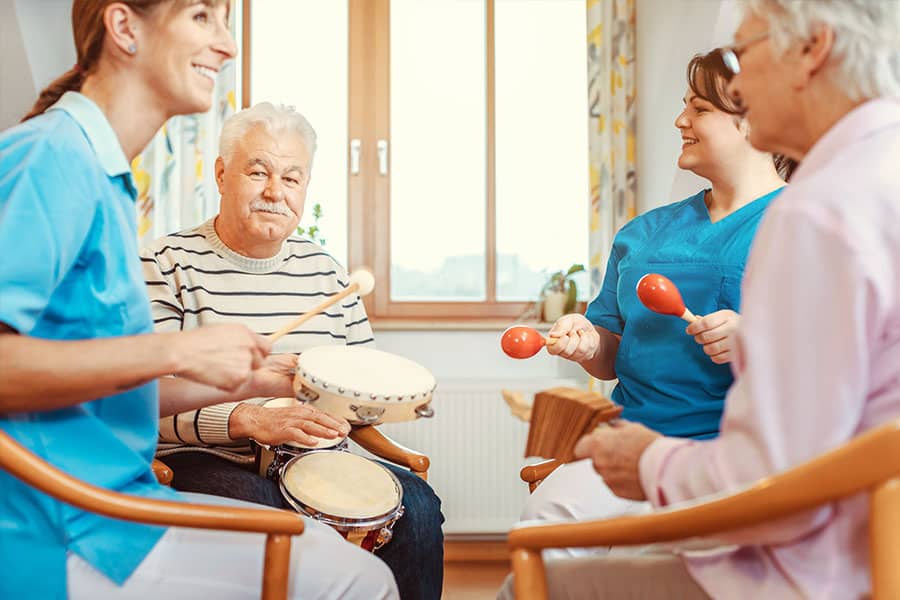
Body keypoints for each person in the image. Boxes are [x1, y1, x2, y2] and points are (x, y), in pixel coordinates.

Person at [502, 0, 900, 597]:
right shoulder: (871, 175)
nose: (739, 82)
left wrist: (646, 463)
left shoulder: (815, 211)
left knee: (528, 577)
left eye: (746, 52)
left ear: (812, 48)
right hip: (843, 540)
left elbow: (772, 488)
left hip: (806, 564)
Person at [0, 2, 397, 598]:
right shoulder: (53, 158)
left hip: (115, 510)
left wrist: (256, 378)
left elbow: (104, 387)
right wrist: (176, 351)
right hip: (64, 532)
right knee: (354, 581)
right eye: (201, 17)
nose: (228, 45)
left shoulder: (102, 174)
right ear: (125, 27)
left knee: (349, 565)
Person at [141, 101, 444, 600]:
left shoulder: (326, 273)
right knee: (275, 517)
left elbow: (361, 384)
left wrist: (395, 399)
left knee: (419, 510)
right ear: (221, 174)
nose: (274, 192)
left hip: (317, 459)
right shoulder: (165, 263)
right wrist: (247, 419)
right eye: (257, 172)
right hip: (206, 455)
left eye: (292, 178)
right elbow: (140, 398)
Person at [519, 48, 792, 545]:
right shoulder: (642, 234)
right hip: (631, 445)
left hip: (736, 457)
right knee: (544, 531)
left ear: (752, 120)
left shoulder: (803, 223)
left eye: (700, 109)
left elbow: (838, 355)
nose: (680, 120)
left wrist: (756, 340)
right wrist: (588, 342)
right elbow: (611, 355)